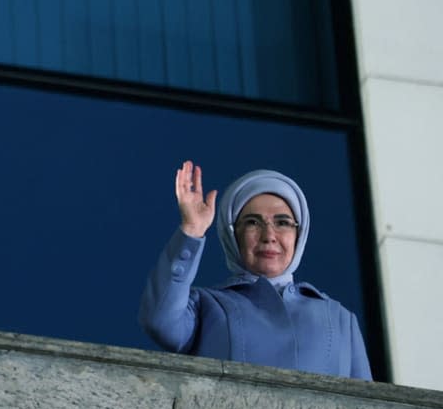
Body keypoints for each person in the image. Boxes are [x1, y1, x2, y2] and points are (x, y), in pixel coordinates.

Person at [138, 161, 372, 379]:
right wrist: (192, 230)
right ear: (232, 234)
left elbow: (368, 404)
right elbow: (159, 321)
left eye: (282, 223)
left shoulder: (340, 318)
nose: (269, 236)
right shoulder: (206, 306)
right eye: (252, 222)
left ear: (299, 234)